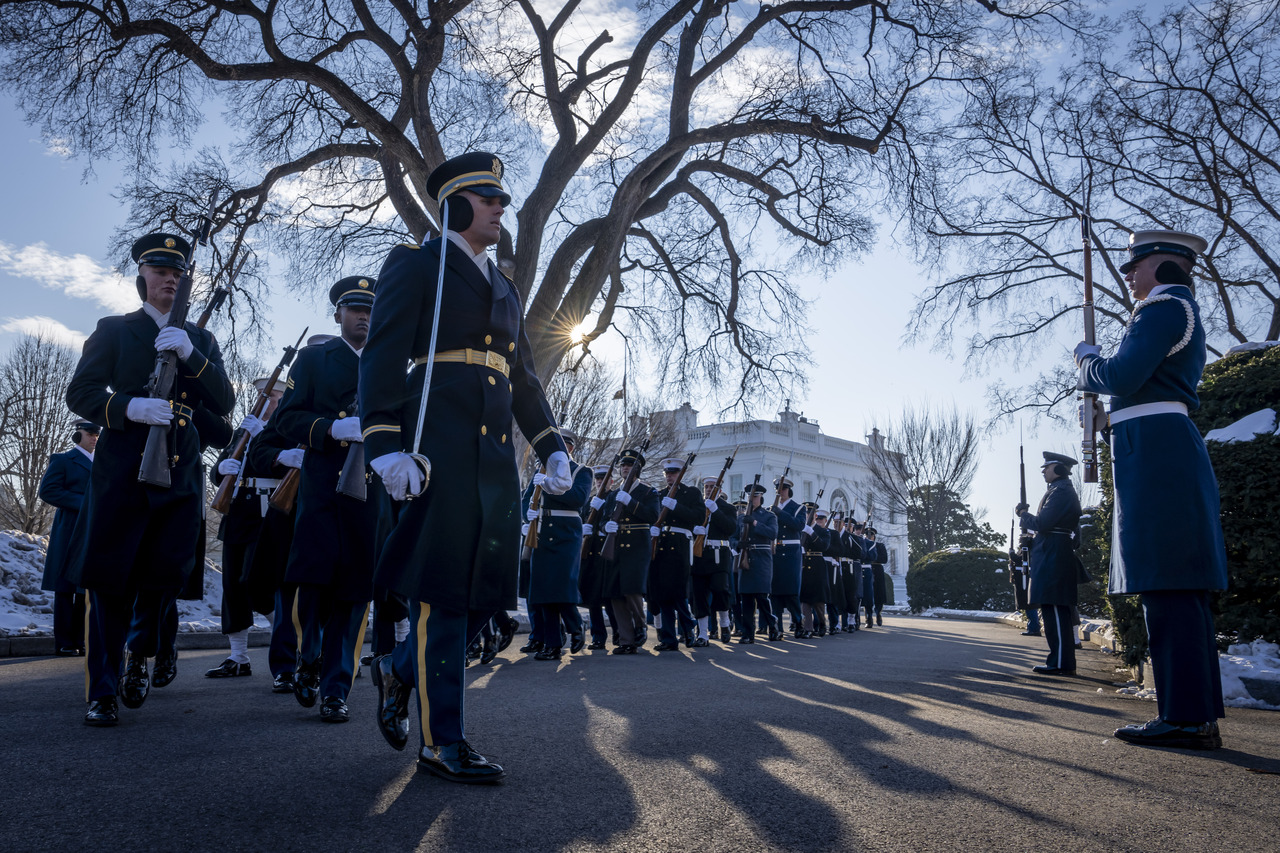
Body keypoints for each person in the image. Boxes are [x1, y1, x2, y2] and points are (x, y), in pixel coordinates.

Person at [360, 152, 573, 784]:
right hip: (438, 449)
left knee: (488, 592)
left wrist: (551, 442)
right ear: (455, 203)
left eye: (502, 197)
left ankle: (400, 670)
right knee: (444, 598)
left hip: (494, 461)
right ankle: (440, 743)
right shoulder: (416, 263)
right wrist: (383, 446)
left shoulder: (505, 286)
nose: (501, 206)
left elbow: (525, 379)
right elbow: (381, 354)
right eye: (488, 197)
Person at [65, 231, 234, 727]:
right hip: (123, 466)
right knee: (109, 582)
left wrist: (192, 356)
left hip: (180, 466)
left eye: (177, 272)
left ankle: (141, 651)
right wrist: (130, 406)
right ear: (142, 275)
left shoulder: (200, 340)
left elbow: (223, 402)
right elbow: (82, 392)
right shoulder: (115, 329)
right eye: (160, 270)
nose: (170, 278)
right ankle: (101, 690)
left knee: (165, 575)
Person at [1075, 228, 1227, 750]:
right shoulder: (1169, 310)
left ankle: (1185, 717)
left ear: (1164, 263)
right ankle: (1192, 713)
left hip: (1160, 453)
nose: (1130, 275)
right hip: (1156, 445)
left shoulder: (1163, 309)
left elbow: (1122, 373)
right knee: (1172, 585)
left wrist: (1087, 362)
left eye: (1136, 265)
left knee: (1169, 584)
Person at [272, 276, 385, 723]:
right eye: (354, 308)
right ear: (338, 315)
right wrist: (331, 429)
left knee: (356, 594)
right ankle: (308, 658)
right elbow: (287, 418)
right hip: (322, 489)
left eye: (371, 309)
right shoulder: (315, 359)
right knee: (315, 585)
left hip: (369, 493)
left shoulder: (391, 365)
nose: (363, 316)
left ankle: (337, 687)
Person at [205, 376, 288, 679]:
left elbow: (283, 465)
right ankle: (238, 657)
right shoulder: (245, 429)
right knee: (233, 588)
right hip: (239, 511)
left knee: (257, 584)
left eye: (273, 397)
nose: (266, 403)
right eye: (263, 397)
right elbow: (225, 465)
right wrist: (220, 469)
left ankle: (290, 643)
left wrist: (259, 441)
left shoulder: (286, 428)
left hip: (267, 511)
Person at [521, 429, 593, 660]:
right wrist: (527, 517)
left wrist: (551, 484)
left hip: (565, 532)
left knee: (561, 586)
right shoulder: (541, 470)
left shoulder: (581, 470)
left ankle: (575, 625)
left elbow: (578, 499)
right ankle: (552, 645)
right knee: (542, 591)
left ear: (569, 448)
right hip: (541, 530)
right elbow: (526, 500)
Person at [1017, 452, 1083, 675]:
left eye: (1047, 467)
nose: (1043, 471)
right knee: (1053, 609)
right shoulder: (1060, 491)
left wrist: (1024, 515)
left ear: (1060, 469)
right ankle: (1059, 661)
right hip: (1054, 551)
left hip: (1053, 554)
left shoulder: (1061, 491)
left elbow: (1043, 523)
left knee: (1054, 609)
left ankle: (1060, 663)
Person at [38, 420, 98, 656]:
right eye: (89, 434)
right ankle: (64, 642)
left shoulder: (102, 462)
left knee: (84, 589)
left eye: (96, 434)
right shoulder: (63, 460)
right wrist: (83, 502)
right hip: (69, 529)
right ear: (77, 435)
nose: (94, 438)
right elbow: (48, 490)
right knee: (65, 589)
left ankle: (81, 640)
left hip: (91, 531)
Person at [600, 447, 660, 655]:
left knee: (632, 590)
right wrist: (605, 526)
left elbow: (653, 515)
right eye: (622, 465)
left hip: (637, 547)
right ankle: (626, 639)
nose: (625, 468)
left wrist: (632, 503)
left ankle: (640, 626)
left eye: (629, 465)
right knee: (616, 593)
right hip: (616, 545)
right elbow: (604, 518)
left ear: (637, 469)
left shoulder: (648, 491)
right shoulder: (613, 494)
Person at [648, 458, 703, 651]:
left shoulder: (691, 493)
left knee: (678, 592)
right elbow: (651, 516)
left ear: (681, 474)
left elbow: (698, 516)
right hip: (662, 544)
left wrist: (676, 506)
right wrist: (652, 529)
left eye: (673, 473)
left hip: (680, 544)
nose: (669, 476)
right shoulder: (660, 494)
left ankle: (689, 630)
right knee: (664, 594)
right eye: (667, 473)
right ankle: (669, 638)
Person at [691, 478, 737, 645]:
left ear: (719, 489)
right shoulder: (698, 507)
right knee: (699, 594)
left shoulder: (728, 508)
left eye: (712, 487)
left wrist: (716, 510)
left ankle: (724, 623)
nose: (709, 490)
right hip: (700, 553)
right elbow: (689, 521)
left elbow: (731, 528)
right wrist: (694, 530)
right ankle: (703, 634)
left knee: (720, 589)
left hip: (720, 554)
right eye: (706, 487)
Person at [735, 484, 778, 644]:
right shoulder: (740, 517)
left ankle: (773, 627)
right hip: (745, 558)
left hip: (761, 559)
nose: (751, 499)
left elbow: (772, 533)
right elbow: (733, 536)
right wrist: (737, 544)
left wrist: (754, 523)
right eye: (749, 496)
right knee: (746, 598)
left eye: (754, 496)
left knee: (761, 597)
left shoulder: (769, 516)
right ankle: (748, 633)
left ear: (760, 497)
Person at [769, 477, 806, 640]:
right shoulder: (770, 509)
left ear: (788, 490)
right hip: (775, 551)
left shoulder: (798, 508)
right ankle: (777, 628)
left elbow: (799, 525)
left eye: (783, 489)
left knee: (791, 593)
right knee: (775, 593)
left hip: (791, 553)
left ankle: (798, 624)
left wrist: (780, 514)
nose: (780, 492)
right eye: (778, 489)